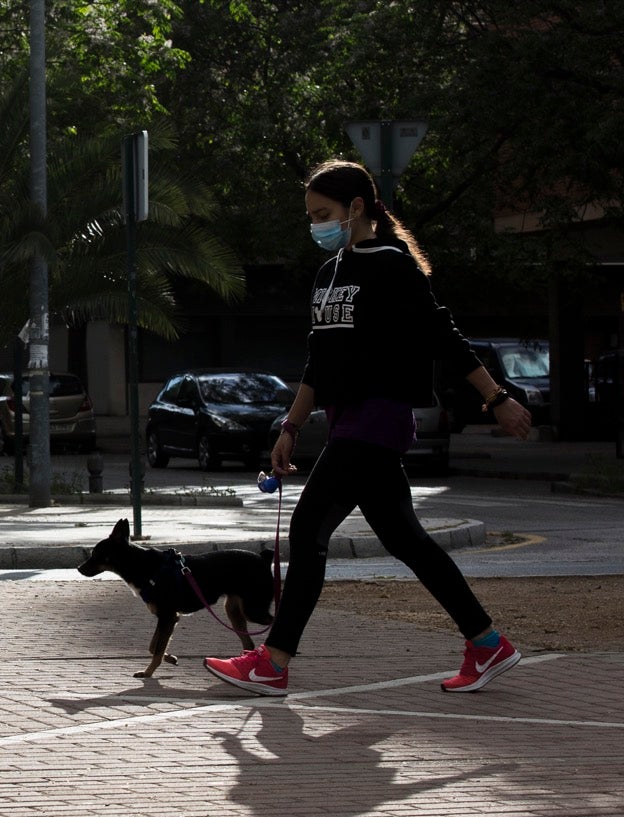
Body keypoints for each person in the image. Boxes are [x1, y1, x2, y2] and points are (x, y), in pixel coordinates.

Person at [205, 159, 532, 698]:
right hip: (344, 424)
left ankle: (274, 662)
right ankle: (487, 642)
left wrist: (495, 397)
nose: (315, 224)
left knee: (308, 532)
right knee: (409, 541)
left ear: (356, 208)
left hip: (377, 420)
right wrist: (290, 425)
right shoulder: (329, 272)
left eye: (323, 213)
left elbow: (441, 335)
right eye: (310, 215)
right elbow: (319, 361)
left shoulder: (391, 265)